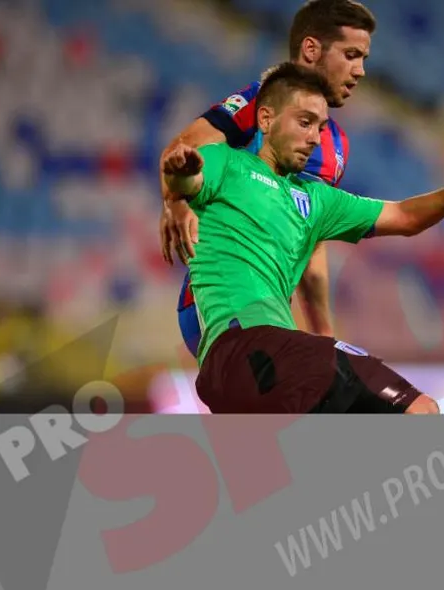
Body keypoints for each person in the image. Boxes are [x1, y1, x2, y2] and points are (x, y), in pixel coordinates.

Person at [160, 63, 444, 414]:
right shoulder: (226, 164)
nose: (315, 138)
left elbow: (405, 217)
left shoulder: (316, 200)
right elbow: (189, 179)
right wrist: (178, 180)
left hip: (258, 373)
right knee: (419, 409)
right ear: (266, 120)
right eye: (304, 122)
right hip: (247, 346)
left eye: (320, 126)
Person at [160, 0, 376, 358]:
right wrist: (175, 202)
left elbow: (310, 244)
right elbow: (182, 149)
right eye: (351, 55)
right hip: (220, 303)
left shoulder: (335, 143)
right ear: (311, 50)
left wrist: (324, 334)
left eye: (363, 58)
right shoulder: (262, 104)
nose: (361, 71)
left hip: (268, 309)